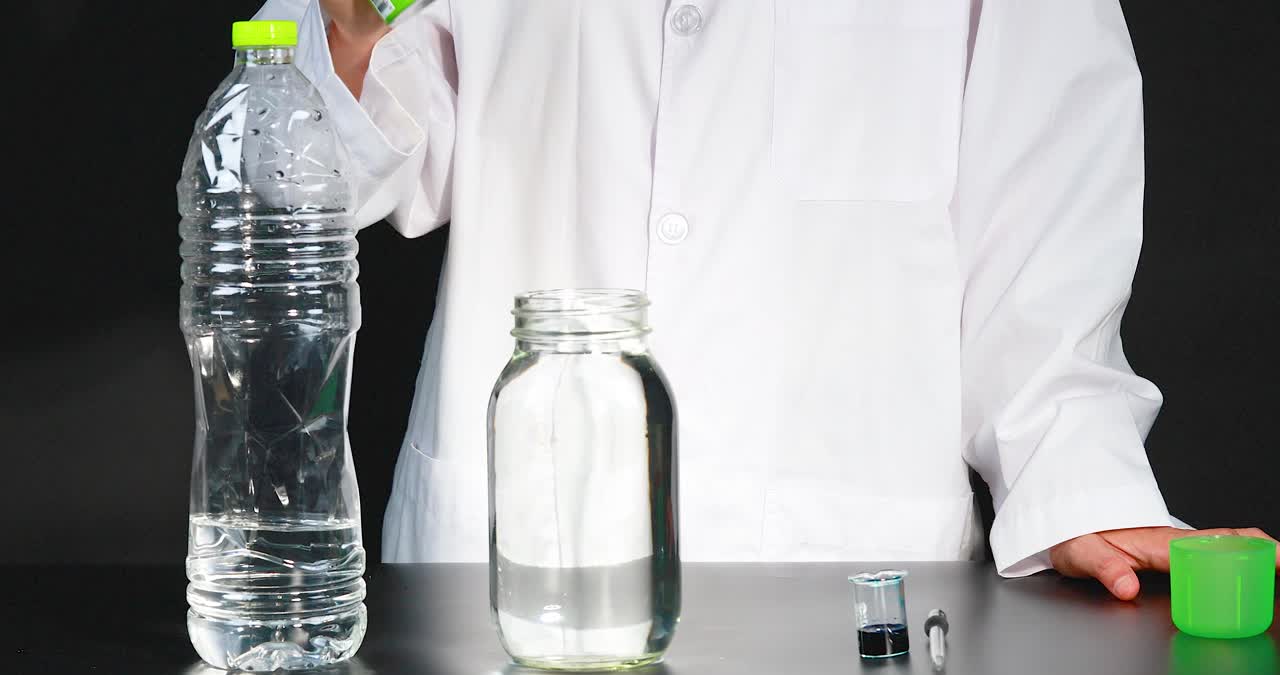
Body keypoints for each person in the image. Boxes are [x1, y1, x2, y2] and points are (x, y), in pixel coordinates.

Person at [256, 0, 1277, 598]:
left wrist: (1078, 484)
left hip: (838, 580)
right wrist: (346, 33)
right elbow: (296, 175)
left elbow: (1044, 220)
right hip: (512, 570)